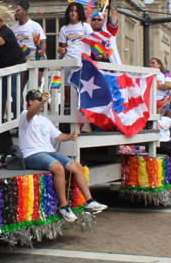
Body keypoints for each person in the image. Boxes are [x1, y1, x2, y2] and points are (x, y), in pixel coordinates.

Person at [19, 89, 107, 222]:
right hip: (31, 154)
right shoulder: (25, 114)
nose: (42, 103)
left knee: (76, 166)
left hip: (48, 152)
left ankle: (90, 201)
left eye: (42, 100)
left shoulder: (44, 120)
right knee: (58, 167)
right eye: (38, 100)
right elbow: (31, 113)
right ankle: (64, 207)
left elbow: (59, 136)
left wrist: (70, 137)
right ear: (30, 102)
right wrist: (43, 100)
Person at [57, 2, 93, 106]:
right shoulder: (64, 29)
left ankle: (81, 116)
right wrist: (61, 52)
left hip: (81, 63)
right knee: (67, 92)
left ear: (80, 13)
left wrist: (99, 55)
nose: (73, 13)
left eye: (76, 11)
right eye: (71, 11)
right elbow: (63, 50)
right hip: (68, 62)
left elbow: (92, 44)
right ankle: (67, 116)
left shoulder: (85, 26)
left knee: (81, 91)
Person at [11, 1, 47, 91]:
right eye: (14, 10)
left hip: (33, 57)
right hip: (19, 59)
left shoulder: (34, 25)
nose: (15, 12)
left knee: (34, 88)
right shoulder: (13, 28)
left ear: (25, 11)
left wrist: (42, 51)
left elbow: (42, 42)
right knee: (19, 88)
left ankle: (36, 104)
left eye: (17, 10)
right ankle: (22, 105)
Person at [87, 0, 121, 64]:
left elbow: (114, 13)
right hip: (97, 68)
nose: (96, 21)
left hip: (113, 65)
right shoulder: (89, 33)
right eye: (94, 19)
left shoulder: (108, 28)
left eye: (99, 19)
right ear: (91, 21)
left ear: (103, 21)